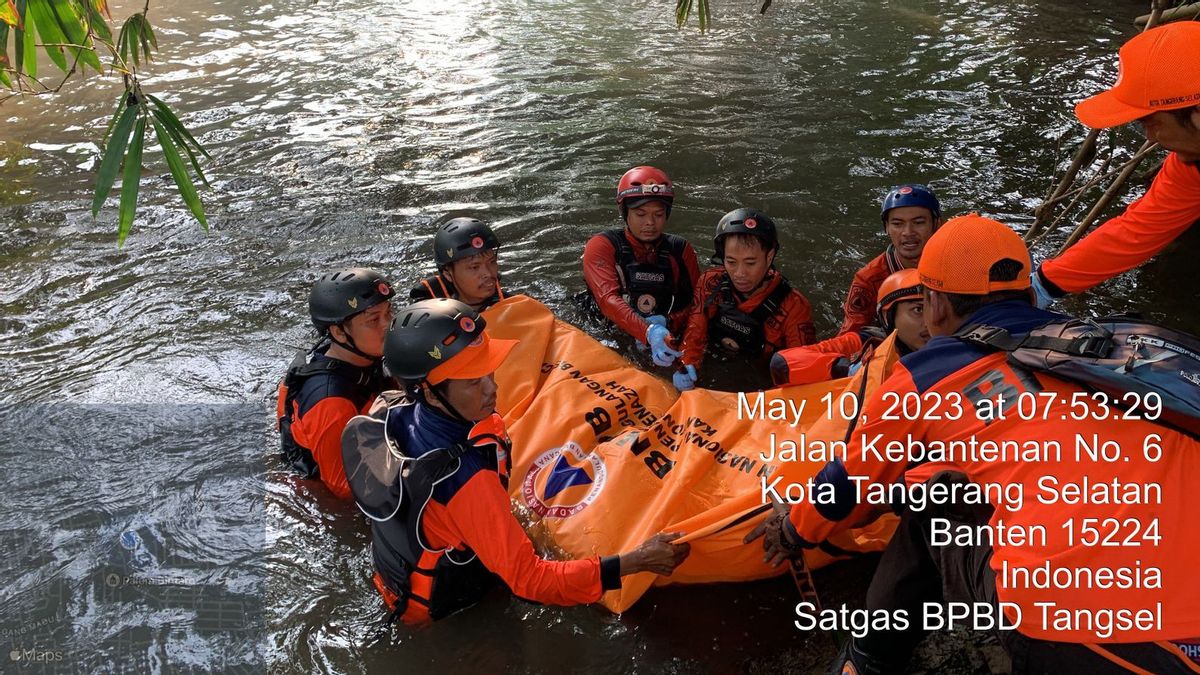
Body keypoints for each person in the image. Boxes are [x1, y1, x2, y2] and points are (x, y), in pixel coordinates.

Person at [749, 215, 1200, 673]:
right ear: (1029, 296)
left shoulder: (925, 377)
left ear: (935, 305)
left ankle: (867, 662)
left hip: (1101, 629)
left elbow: (844, 489)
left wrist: (793, 531)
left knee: (932, 506)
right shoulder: (1116, 345)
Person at [342, 298, 691, 625]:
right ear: (431, 392)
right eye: (473, 382)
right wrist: (632, 562)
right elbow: (529, 581)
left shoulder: (393, 408)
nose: (492, 388)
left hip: (399, 576)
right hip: (445, 614)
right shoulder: (465, 478)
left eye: (489, 370)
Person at [1033, 22, 1200, 307]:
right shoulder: (1190, 167)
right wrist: (1041, 286)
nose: (1150, 137)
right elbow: (1135, 232)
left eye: (1154, 123)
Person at [276, 268, 395, 500]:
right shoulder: (332, 404)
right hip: (321, 489)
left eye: (389, 313)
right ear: (339, 332)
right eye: (374, 320)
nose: (387, 325)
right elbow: (344, 488)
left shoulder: (361, 353)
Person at [674, 208, 816, 391]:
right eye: (731, 262)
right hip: (715, 360)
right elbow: (695, 332)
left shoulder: (794, 306)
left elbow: (799, 367)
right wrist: (687, 364)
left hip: (760, 379)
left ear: (769, 257)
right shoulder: (711, 282)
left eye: (750, 263)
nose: (740, 274)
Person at [582, 166, 701, 367]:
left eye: (658, 214)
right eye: (640, 213)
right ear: (625, 212)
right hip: (604, 331)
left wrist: (669, 322)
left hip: (661, 329)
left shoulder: (680, 249)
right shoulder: (602, 245)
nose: (650, 223)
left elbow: (698, 305)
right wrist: (648, 330)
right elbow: (607, 299)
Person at [770, 268, 928, 386]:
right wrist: (846, 369)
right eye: (918, 310)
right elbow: (782, 363)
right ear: (888, 317)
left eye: (935, 308)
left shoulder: (951, 341)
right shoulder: (865, 342)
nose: (931, 320)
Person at [839, 184, 941, 335]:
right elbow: (851, 335)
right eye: (897, 224)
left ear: (936, 224)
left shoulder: (956, 263)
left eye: (919, 222)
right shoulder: (869, 279)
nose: (908, 232)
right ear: (886, 227)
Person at [409, 217, 507, 311]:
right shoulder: (428, 320)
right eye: (474, 267)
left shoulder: (514, 306)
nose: (488, 273)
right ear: (448, 274)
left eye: (492, 262)